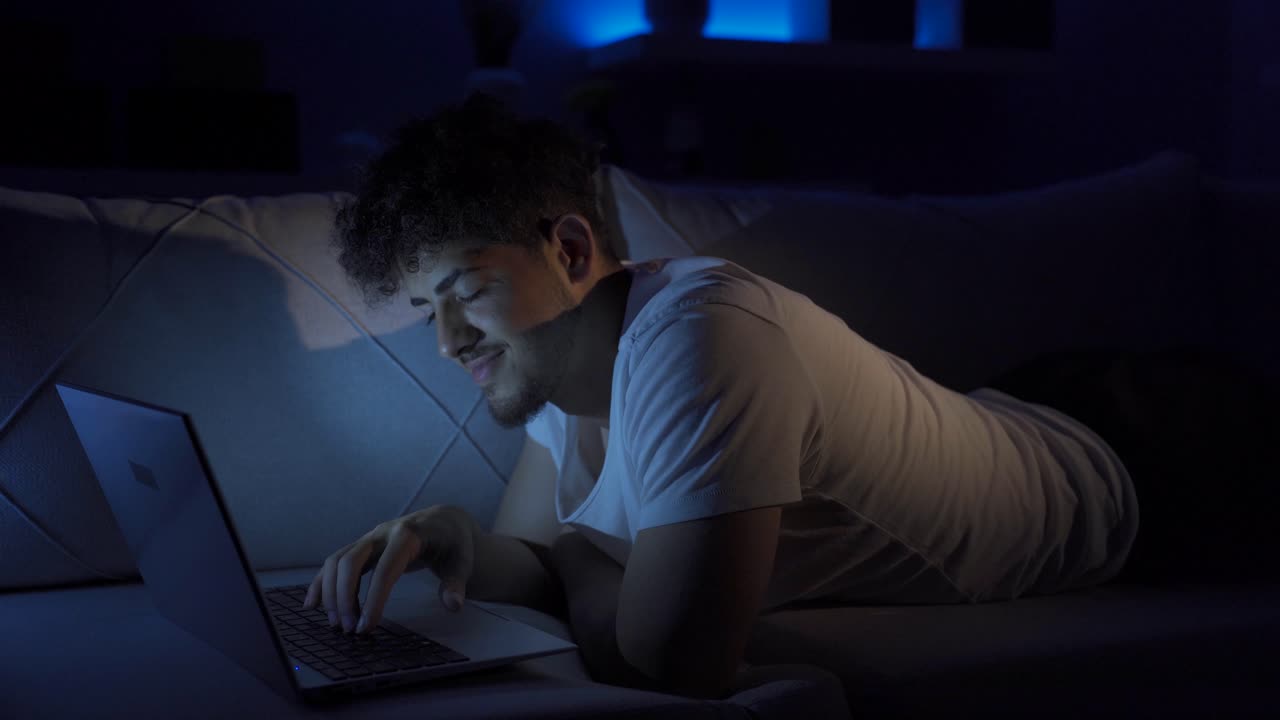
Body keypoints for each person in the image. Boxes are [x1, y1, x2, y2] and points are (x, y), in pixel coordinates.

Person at [303, 95, 1139, 699]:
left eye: (467, 292)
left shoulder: (699, 337)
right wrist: (459, 538)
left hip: (1121, 468)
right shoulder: (554, 363)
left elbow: (673, 668)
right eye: (428, 313)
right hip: (1016, 410)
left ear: (568, 248)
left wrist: (586, 555)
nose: (449, 342)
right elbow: (543, 563)